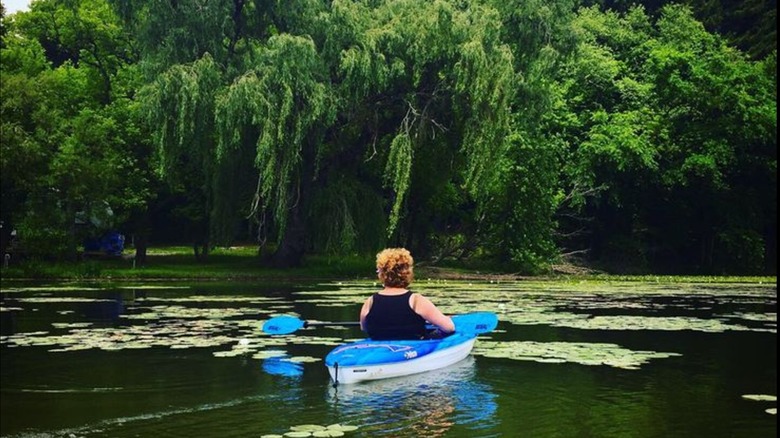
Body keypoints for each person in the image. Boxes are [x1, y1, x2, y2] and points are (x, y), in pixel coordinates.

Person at [360, 248, 455, 340]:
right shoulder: (416, 300)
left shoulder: (370, 301)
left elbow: (364, 328)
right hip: (413, 349)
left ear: (382, 274)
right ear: (407, 273)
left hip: (380, 348)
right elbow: (449, 328)